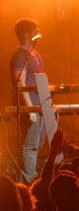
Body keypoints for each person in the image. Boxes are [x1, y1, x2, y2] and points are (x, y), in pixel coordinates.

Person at [8, 18, 45, 185]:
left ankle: (35, 179)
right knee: (30, 146)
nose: (38, 34)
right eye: (35, 31)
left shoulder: (33, 55)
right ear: (26, 35)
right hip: (31, 109)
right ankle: (29, 183)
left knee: (38, 145)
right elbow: (19, 84)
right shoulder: (20, 57)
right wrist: (30, 110)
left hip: (41, 106)